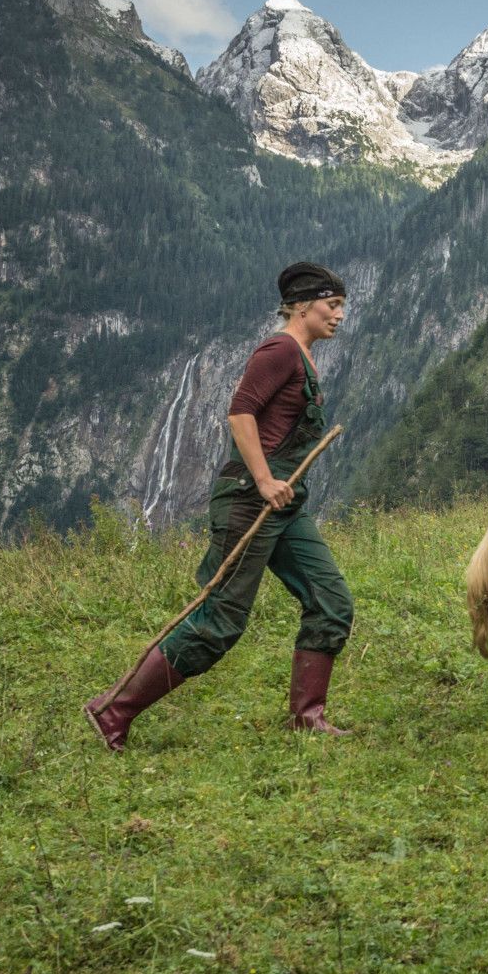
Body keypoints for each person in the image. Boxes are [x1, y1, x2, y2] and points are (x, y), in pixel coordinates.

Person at [84, 261, 356, 751]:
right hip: (250, 502)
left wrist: (278, 487)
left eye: (341, 307)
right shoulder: (280, 350)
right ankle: (114, 711)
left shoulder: (304, 356)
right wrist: (264, 479)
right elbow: (240, 413)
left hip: (286, 507)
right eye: (332, 305)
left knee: (331, 602)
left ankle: (307, 717)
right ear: (301, 307)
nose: (339, 315)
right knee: (220, 622)